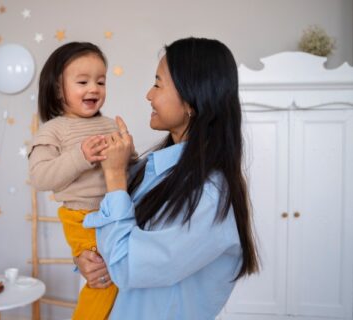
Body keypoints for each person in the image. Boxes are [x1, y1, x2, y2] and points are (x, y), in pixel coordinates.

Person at [75, 37, 260, 320]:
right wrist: (88, 260)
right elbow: (114, 243)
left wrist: (113, 175)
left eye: (158, 84)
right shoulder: (149, 169)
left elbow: (127, 266)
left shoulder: (208, 196)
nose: (149, 94)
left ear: (191, 102)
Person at [28, 42, 118, 320]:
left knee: (121, 276)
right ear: (57, 88)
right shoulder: (54, 130)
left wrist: (128, 153)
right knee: (101, 278)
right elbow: (40, 177)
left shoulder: (111, 124)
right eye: (82, 81)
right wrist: (80, 156)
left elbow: (129, 169)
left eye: (100, 81)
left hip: (115, 212)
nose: (94, 88)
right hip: (82, 217)